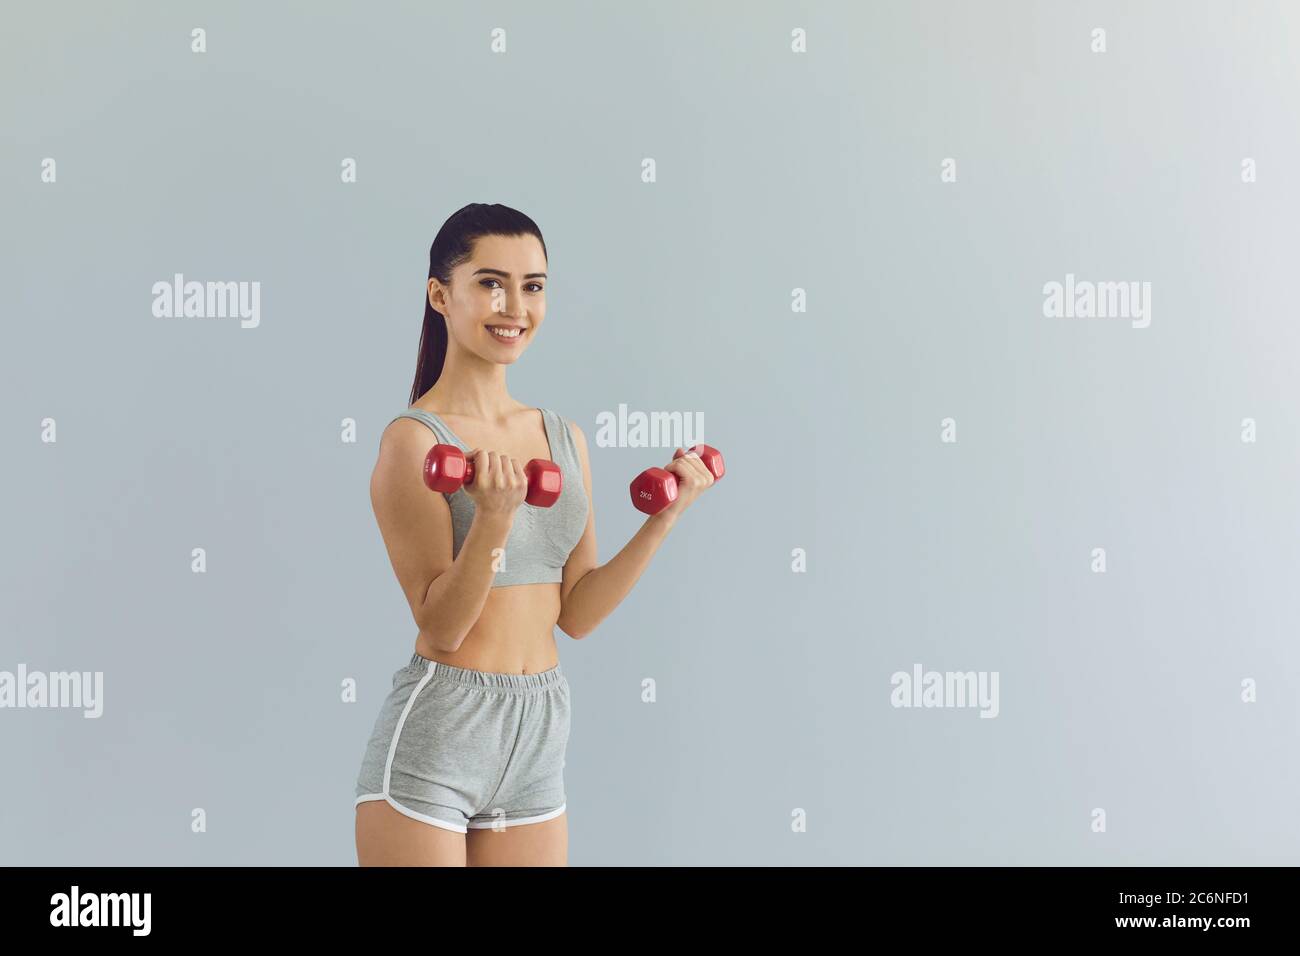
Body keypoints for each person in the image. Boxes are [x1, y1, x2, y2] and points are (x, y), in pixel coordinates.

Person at [353, 203, 717, 866]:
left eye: (533, 286)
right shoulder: (414, 444)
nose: (513, 305)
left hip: (540, 730)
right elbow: (441, 629)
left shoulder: (561, 436)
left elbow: (576, 613)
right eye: (491, 283)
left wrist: (663, 518)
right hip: (443, 731)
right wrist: (493, 517)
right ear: (441, 294)